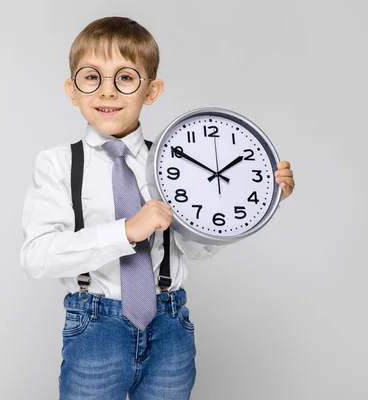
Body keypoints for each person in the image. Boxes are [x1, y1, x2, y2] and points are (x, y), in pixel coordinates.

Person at [19, 16, 296, 400]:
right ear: (72, 89)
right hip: (96, 326)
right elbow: (37, 257)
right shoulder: (58, 164)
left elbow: (197, 247)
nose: (108, 92)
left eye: (126, 78)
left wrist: (258, 199)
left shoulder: (175, 161)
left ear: (151, 91)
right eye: (91, 77)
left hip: (170, 324)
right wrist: (126, 232)